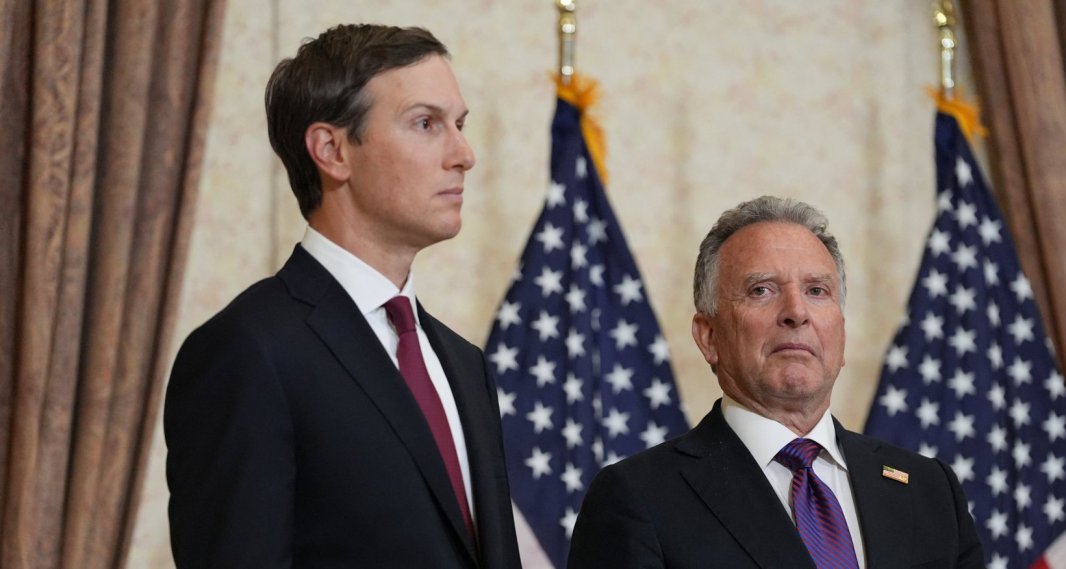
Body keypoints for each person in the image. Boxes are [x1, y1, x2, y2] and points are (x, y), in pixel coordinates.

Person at [164, 24, 521, 568]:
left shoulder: (465, 365)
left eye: (460, 125)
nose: (464, 154)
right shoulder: (247, 351)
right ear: (332, 150)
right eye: (426, 123)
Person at [568, 196, 983, 568]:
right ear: (709, 337)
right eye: (762, 290)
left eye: (817, 291)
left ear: (841, 334)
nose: (796, 312)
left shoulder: (930, 491)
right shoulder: (638, 497)